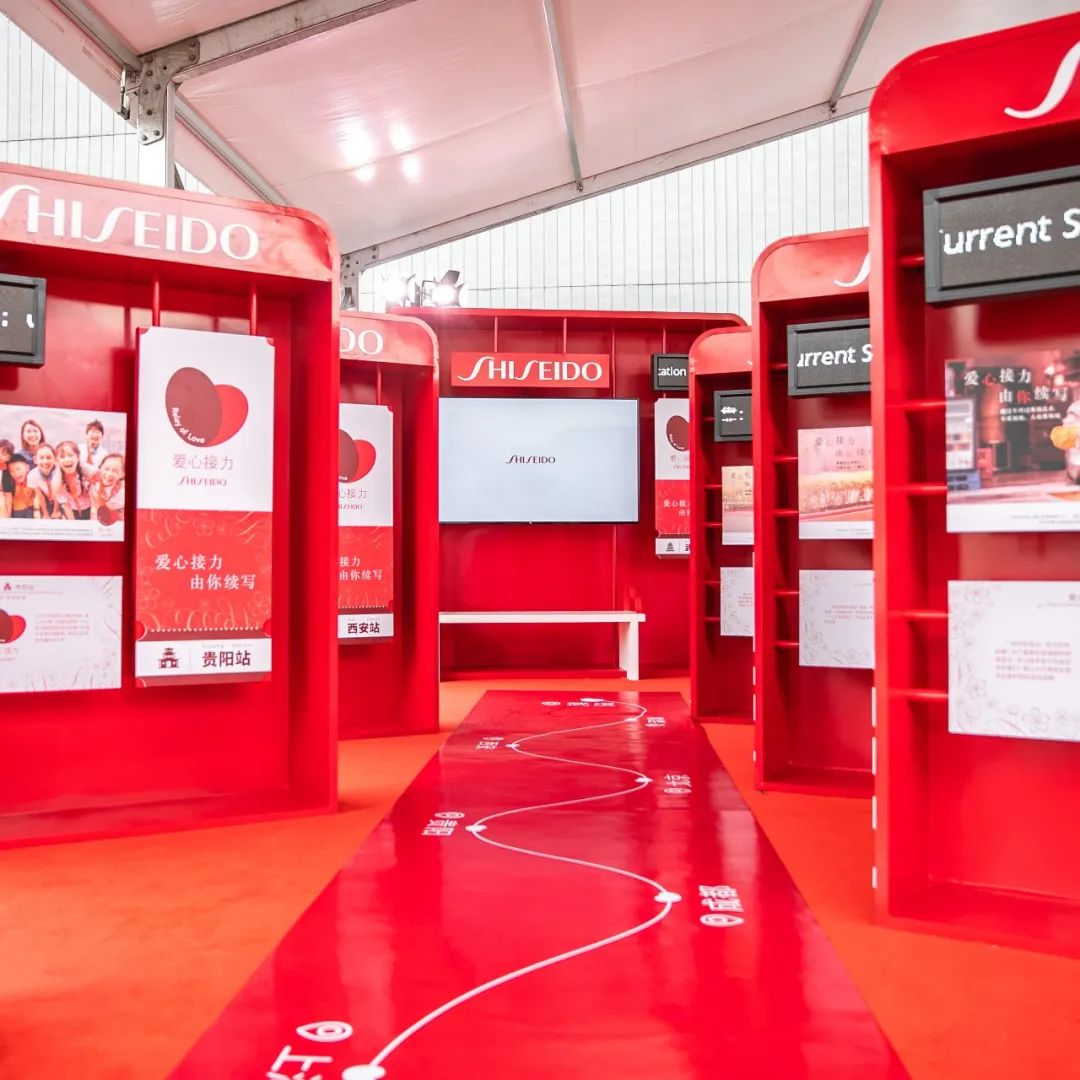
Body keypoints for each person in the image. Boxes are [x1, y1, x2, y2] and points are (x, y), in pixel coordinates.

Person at [54, 440, 97, 520]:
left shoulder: (86, 471)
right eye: (62, 457)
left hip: (89, 508)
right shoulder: (58, 479)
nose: (67, 459)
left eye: (70, 455)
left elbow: (95, 498)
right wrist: (72, 522)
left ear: (78, 457)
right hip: (72, 510)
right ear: (57, 460)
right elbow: (65, 504)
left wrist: (93, 516)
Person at [28, 444, 62, 519]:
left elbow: (59, 493)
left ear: (55, 459)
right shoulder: (32, 475)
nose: (45, 461)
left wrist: (55, 511)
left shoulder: (59, 471)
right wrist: (45, 513)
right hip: (46, 499)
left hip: (62, 499)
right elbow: (40, 495)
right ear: (35, 460)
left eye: (49, 457)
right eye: (41, 458)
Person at [90, 453, 125, 523]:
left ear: (123, 474)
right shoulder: (94, 486)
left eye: (115, 471)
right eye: (106, 469)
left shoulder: (123, 492)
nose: (109, 474)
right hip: (97, 522)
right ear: (100, 468)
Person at [5, 451, 36, 519]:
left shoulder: (33, 477)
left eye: (18, 469)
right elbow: (8, 497)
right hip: (17, 512)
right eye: (12, 471)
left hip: (31, 510)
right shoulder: (9, 482)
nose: (16, 473)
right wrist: (8, 515)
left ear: (27, 467)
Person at [0, 439, 11, 519]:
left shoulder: (7, 472)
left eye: (7, 454)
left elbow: (8, 494)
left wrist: (9, 514)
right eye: (3, 453)